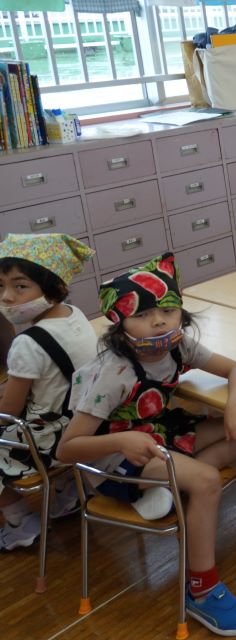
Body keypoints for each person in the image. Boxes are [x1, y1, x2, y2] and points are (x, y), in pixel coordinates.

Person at [58, 254, 236, 636]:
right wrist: (123, 438)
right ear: (118, 323)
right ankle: (201, 589)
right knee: (206, 481)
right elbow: (68, 450)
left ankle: (171, 485)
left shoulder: (177, 347)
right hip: (113, 458)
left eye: (168, 309)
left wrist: (235, 405)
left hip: (157, 433)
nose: (158, 321)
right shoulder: (114, 372)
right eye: (143, 313)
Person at [0, 234, 97, 551]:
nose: (7, 297)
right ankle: (69, 494)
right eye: (1, 286)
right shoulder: (74, 314)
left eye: (20, 286)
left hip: (49, 441)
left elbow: (8, 413)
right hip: (84, 426)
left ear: (54, 286)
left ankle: (20, 524)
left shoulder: (27, 344)